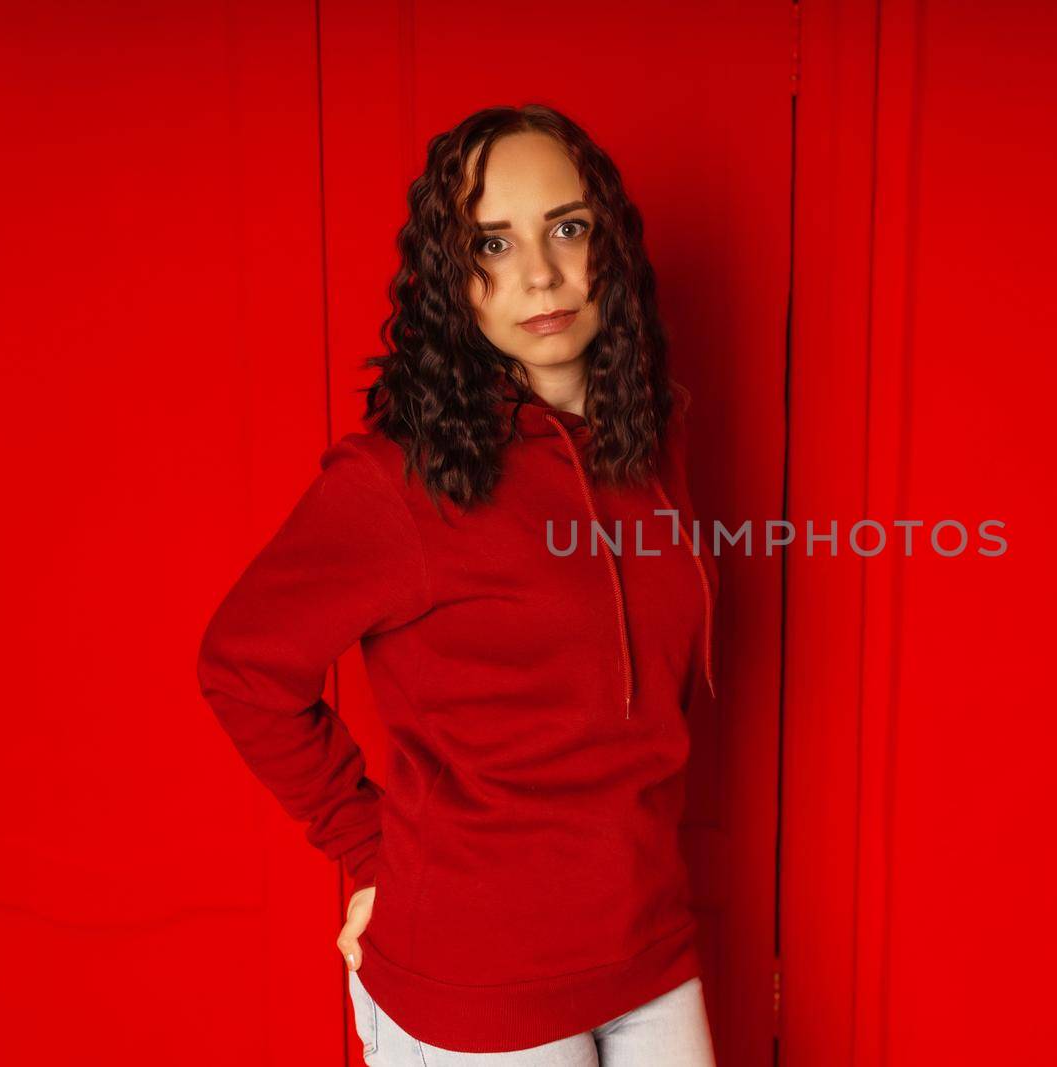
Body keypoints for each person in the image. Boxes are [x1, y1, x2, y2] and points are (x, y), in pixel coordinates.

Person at [195, 103, 719, 1065]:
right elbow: (241, 666)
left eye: (568, 227)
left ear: (610, 242)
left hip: (649, 947)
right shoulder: (397, 481)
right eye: (493, 242)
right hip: (475, 978)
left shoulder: (653, 441)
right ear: (454, 279)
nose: (541, 274)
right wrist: (362, 843)